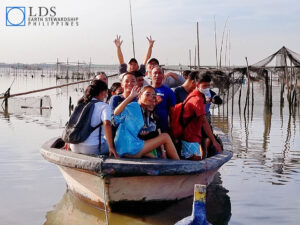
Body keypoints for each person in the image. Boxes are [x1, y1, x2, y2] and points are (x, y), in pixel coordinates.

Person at [113, 85, 179, 159]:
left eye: (154, 96)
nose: (151, 97)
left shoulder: (143, 111)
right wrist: (130, 97)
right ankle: (180, 164)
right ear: (140, 95)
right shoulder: (134, 105)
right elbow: (116, 113)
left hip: (128, 146)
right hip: (129, 146)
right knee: (165, 137)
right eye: (147, 94)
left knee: (154, 157)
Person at [70, 80, 118, 158]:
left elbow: (71, 124)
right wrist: (111, 147)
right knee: (118, 143)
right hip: (92, 148)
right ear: (103, 92)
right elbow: (107, 124)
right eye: (106, 93)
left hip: (74, 146)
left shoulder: (81, 104)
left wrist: (67, 142)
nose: (106, 96)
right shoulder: (104, 106)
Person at [180, 73, 222, 160]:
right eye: (204, 85)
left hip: (192, 134)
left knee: (196, 156)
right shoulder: (197, 99)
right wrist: (214, 141)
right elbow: (204, 121)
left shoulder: (195, 94)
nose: (206, 88)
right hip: (190, 136)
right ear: (197, 85)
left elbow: (218, 100)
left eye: (208, 85)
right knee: (195, 160)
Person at [151, 66, 176, 133]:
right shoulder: (145, 90)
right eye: (155, 73)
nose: (157, 75)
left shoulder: (169, 91)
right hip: (148, 126)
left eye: (160, 73)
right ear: (151, 75)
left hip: (163, 126)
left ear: (163, 76)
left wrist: (173, 127)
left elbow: (172, 112)